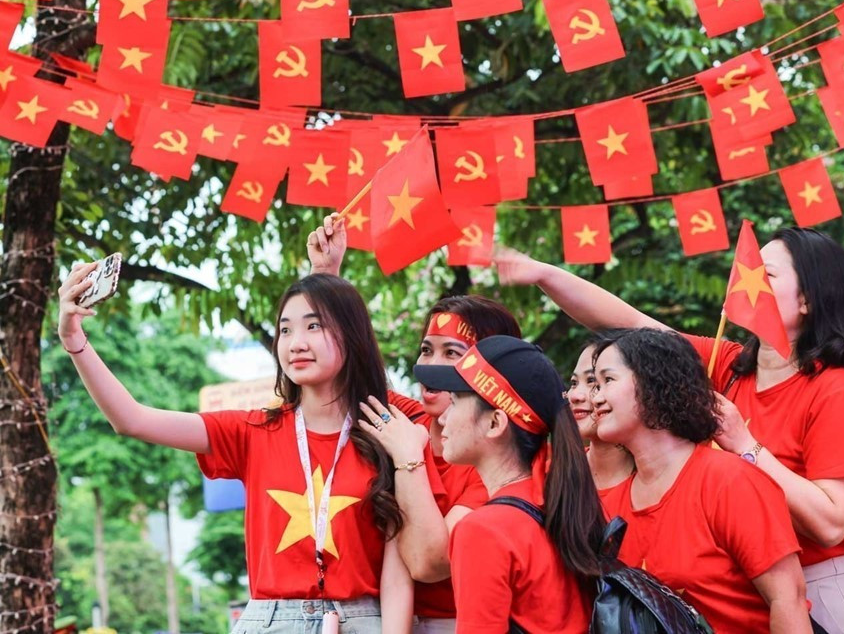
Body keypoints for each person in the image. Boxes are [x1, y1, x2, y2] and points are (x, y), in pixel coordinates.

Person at [495, 227, 844, 633]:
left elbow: (830, 524)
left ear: (809, 298)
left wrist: (746, 446)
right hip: (750, 586)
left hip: (826, 587)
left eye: (765, 274)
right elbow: (632, 324)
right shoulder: (730, 366)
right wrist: (544, 274)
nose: (744, 280)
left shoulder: (839, 390)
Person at [58, 266, 414, 633]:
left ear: (352, 333)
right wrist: (73, 338)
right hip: (271, 621)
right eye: (285, 330)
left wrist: (328, 277)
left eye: (314, 325)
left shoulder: (390, 430)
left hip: (364, 620)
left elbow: (398, 567)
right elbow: (132, 419)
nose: (296, 343)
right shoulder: (252, 430)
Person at [307, 214, 521, 633]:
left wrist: (409, 460)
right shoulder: (408, 418)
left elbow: (430, 562)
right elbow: (349, 377)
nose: (431, 368)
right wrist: (324, 277)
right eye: (427, 350)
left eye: (453, 354)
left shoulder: (498, 456)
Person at [591, 328, 810, 632]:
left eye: (607, 381)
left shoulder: (728, 481)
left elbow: (789, 599)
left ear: (652, 382)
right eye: (594, 385)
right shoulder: (611, 507)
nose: (594, 398)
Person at [406, 335, 607, 633]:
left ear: (494, 423)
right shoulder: (554, 502)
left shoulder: (483, 530)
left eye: (457, 400)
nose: (444, 417)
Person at [567, 335, 634, 494]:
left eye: (592, 381)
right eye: (574, 383)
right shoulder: (553, 472)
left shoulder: (659, 479)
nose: (576, 395)